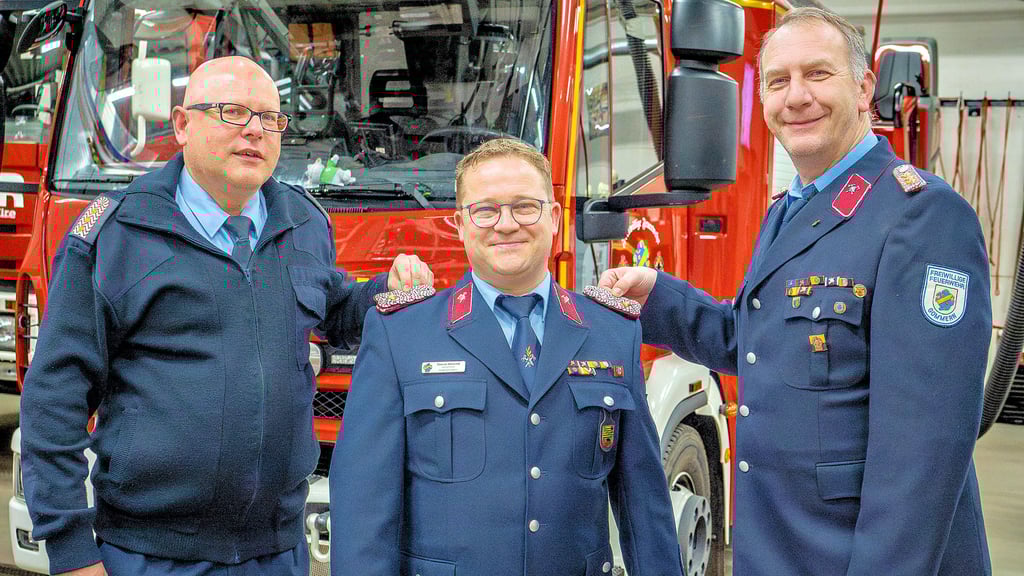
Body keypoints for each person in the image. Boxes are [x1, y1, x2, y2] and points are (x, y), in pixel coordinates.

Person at [600, 7, 993, 576]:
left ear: (863, 89)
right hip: (783, 549)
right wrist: (657, 296)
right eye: (778, 81)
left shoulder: (922, 216)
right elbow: (762, 344)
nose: (796, 97)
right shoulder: (792, 208)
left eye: (818, 74)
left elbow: (924, 452)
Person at [19, 56, 433, 576]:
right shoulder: (116, 235)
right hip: (150, 557)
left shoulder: (304, 222)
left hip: (278, 552)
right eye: (233, 112)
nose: (255, 130)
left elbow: (333, 310)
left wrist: (385, 293)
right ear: (182, 125)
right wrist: (72, 549)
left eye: (270, 118)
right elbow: (53, 399)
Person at [328, 138, 682, 576]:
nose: (506, 224)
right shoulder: (400, 332)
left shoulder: (614, 332)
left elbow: (644, 507)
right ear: (460, 224)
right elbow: (363, 509)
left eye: (525, 207)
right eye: (486, 210)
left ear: (555, 217)